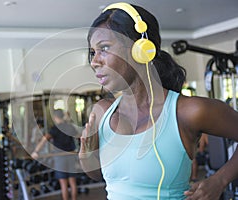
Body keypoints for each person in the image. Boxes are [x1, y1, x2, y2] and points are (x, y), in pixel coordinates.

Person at [78, 2, 238, 200]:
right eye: (93, 52)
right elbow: (100, 175)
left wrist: (220, 180)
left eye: (104, 48)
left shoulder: (187, 111)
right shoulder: (102, 111)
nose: (94, 61)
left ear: (140, 50)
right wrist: (87, 155)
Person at [31, 109, 78, 200]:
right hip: (71, 155)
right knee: (72, 182)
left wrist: (36, 152)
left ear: (55, 117)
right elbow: (79, 136)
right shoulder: (70, 127)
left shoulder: (55, 129)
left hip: (60, 158)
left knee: (64, 184)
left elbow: (45, 140)